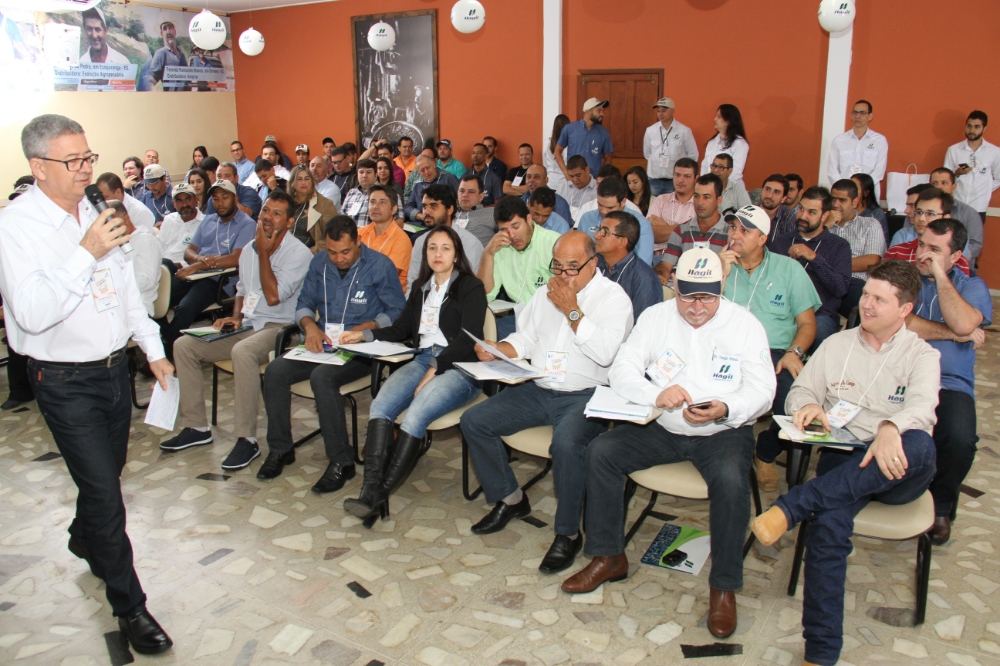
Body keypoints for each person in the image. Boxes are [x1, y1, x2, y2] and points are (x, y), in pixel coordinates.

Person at [0, 114, 174, 654]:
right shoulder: (16, 227)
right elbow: (30, 314)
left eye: (88, 157)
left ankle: (84, 536)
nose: (84, 169)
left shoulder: (95, 210)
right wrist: (87, 251)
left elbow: (125, 291)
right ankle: (131, 608)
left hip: (114, 371)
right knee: (105, 493)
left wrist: (153, 350)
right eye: (72, 160)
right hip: (63, 379)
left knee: (106, 478)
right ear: (39, 167)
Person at [564, 248, 774, 637]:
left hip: (722, 431)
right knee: (601, 453)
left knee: (731, 483)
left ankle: (723, 587)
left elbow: (764, 391)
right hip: (663, 422)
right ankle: (608, 557)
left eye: (706, 297)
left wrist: (726, 408)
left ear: (721, 288)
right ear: (673, 286)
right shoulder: (656, 317)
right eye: (687, 296)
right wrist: (654, 395)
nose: (696, 307)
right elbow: (623, 369)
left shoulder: (744, 325)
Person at [751, 259, 940, 666]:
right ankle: (820, 654)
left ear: (905, 309)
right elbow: (800, 391)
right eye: (866, 294)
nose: (866, 304)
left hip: (899, 466)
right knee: (828, 527)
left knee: (922, 444)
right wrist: (808, 406)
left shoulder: (922, 355)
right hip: (845, 457)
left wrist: (891, 426)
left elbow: (924, 408)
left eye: (879, 299)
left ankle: (794, 506)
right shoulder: (837, 344)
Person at [461, 231, 633, 574]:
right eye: (557, 266)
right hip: (540, 387)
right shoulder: (545, 293)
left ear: (593, 263)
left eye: (572, 267)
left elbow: (605, 353)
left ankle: (568, 533)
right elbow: (525, 339)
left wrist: (572, 310)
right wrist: (498, 350)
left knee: (566, 445)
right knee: (475, 420)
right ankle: (511, 499)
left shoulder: (614, 299)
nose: (563, 275)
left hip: (586, 394)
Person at [342, 225, 487, 520]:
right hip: (422, 359)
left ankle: (379, 494)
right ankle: (370, 491)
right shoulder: (422, 288)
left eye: (445, 248)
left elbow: (467, 339)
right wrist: (365, 335)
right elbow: (401, 329)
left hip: (460, 367)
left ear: (456, 254)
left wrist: (435, 368)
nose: (438, 254)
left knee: (415, 414)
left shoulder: (471, 287)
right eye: (432, 248)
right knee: (380, 406)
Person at [161, 190, 312, 468]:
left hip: (280, 328)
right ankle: (196, 427)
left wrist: (263, 252)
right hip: (249, 324)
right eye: (265, 210)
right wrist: (234, 316)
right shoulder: (250, 249)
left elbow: (273, 297)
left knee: (242, 352)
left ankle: (247, 439)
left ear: (289, 222)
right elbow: (242, 289)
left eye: (277, 214)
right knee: (184, 346)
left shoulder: (298, 253)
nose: (268, 217)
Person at [261, 216, 405, 490]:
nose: (338, 259)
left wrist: (367, 327)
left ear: (358, 242)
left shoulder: (380, 265)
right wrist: (310, 327)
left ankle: (342, 461)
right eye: (332, 252)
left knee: (322, 377)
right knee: (275, 370)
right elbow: (304, 303)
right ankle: (280, 449)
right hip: (325, 343)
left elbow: (397, 311)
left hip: (361, 349)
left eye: (345, 252)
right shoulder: (319, 263)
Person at [718, 206, 822, 494]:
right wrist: (720, 277)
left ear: (762, 238)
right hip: (725, 351)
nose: (735, 235)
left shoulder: (788, 269)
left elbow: (807, 324)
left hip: (774, 353)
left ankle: (765, 452)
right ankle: (716, 450)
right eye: (733, 228)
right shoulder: (717, 265)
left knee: (792, 404)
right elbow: (697, 314)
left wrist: (794, 352)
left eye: (745, 230)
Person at [906, 218, 991, 545]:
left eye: (935, 250)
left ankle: (940, 505)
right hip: (900, 376)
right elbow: (903, 323)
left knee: (959, 438)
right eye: (921, 245)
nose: (923, 254)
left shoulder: (972, 287)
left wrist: (940, 275)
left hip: (949, 382)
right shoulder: (904, 279)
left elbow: (966, 321)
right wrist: (954, 333)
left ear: (955, 257)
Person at [162, 180, 256, 358]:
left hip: (221, 281)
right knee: (159, 298)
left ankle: (166, 353)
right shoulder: (209, 220)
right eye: (215, 198)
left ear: (235, 198)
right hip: (196, 274)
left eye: (225, 197)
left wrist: (199, 265)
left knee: (184, 308)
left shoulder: (246, 223)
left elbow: (236, 258)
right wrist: (200, 259)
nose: (220, 203)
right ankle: (164, 341)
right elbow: (188, 252)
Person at [770, 186, 853, 351]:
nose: (803, 216)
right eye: (801, 209)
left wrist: (815, 258)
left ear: (825, 215)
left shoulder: (839, 246)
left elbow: (840, 289)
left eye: (812, 212)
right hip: (781, 310)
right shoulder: (781, 243)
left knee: (819, 331)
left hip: (819, 313)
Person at [478, 196, 561, 338]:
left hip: (552, 319)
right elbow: (485, 294)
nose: (512, 235)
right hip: (520, 318)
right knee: (480, 337)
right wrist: (488, 253)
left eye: (516, 227)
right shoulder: (499, 247)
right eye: (504, 229)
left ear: (529, 219)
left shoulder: (554, 243)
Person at [408, 184, 483, 294]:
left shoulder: (469, 243)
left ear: (450, 209)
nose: (427, 212)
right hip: (425, 300)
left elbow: (471, 288)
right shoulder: (420, 241)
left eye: (433, 206)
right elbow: (412, 283)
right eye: (424, 206)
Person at [827, 178, 886, 318]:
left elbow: (871, 261)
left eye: (842, 200)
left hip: (854, 282)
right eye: (833, 199)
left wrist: (828, 264)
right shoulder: (822, 225)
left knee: (866, 306)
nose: (835, 204)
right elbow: (812, 255)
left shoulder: (870, 224)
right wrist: (825, 227)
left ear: (854, 202)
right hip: (824, 281)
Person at [885, 187, 973, 277]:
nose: (921, 219)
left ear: (946, 218)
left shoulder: (957, 261)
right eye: (919, 212)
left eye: (930, 214)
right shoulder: (895, 253)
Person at [658, 174, 728, 280]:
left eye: (706, 197)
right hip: (686, 286)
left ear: (719, 200)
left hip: (718, 286)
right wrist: (661, 275)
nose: (700, 202)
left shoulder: (730, 232)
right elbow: (666, 265)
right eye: (696, 196)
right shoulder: (681, 231)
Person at [594, 210, 661, 319]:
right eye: (599, 229)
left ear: (622, 242)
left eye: (605, 232)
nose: (596, 235)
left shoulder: (645, 279)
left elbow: (646, 324)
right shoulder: (594, 264)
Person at [576, 177, 654, 265]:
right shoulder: (586, 218)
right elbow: (578, 253)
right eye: (600, 205)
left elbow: (643, 264)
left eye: (610, 208)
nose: (603, 211)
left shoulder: (641, 224)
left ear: (623, 202)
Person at [105, 199, 161, 316]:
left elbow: (146, 280)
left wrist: (114, 287)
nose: (108, 229)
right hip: (115, 303)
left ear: (125, 218)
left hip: (138, 307)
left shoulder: (145, 241)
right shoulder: (114, 243)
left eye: (111, 224)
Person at [827, 99, 888, 200]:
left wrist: (862, 188)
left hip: (868, 193)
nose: (858, 116)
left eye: (862, 113)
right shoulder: (839, 140)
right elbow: (832, 170)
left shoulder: (879, 141)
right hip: (843, 195)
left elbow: (879, 171)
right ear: (851, 115)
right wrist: (845, 188)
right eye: (855, 113)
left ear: (870, 116)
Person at [945, 110, 1000, 222]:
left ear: (984, 128)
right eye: (969, 126)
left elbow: (998, 178)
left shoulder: (994, 152)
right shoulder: (953, 150)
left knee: (974, 233)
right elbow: (945, 178)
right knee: (952, 233)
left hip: (979, 206)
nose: (972, 130)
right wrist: (957, 173)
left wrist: (984, 190)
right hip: (956, 203)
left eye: (977, 127)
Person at [358, 184, 411, 290]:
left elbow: (386, 276)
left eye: (382, 202)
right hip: (358, 289)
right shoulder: (360, 233)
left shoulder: (401, 240)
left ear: (394, 209)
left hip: (386, 295)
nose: (375, 206)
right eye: (372, 202)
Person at [643, 97, 699, 196]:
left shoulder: (684, 131)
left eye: (664, 111)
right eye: (658, 111)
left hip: (675, 181)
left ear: (672, 111)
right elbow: (647, 153)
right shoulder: (650, 130)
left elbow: (693, 155)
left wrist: (683, 173)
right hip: (654, 180)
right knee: (654, 205)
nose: (660, 114)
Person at [929, 167, 984, 264]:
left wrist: (949, 259)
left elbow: (975, 245)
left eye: (944, 183)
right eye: (934, 183)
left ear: (953, 187)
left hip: (957, 265)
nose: (939, 187)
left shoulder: (969, 214)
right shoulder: (920, 211)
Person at [647, 158, 698, 262]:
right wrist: (683, 231)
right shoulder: (661, 200)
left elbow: (694, 239)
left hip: (685, 260)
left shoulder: (700, 205)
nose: (680, 180)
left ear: (696, 179)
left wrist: (664, 227)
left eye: (687, 176)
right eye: (677, 175)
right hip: (656, 258)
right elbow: (649, 233)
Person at [556, 98, 614, 177]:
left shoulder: (604, 133)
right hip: (573, 179)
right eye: (599, 111)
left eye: (602, 111)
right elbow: (557, 151)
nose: (602, 114)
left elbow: (608, 158)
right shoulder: (569, 129)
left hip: (594, 179)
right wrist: (566, 173)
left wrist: (602, 177)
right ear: (589, 112)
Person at [157, 183, 204, 270]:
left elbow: (205, 254)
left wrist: (182, 265)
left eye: (188, 199)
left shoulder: (205, 222)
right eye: (179, 201)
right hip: (162, 267)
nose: (184, 204)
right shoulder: (169, 219)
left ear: (196, 199)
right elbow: (158, 246)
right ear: (173, 204)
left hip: (185, 269)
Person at [700, 104, 749, 183]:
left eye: (719, 116)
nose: (715, 119)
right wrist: (704, 182)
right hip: (710, 186)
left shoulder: (739, 143)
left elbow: (736, 172)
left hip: (730, 187)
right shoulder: (712, 142)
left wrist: (720, 186)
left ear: (728, 121)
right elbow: (705, 165)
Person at [404, 155, 460, 222]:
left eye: (428, 168)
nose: (426, 172)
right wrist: (422, 216)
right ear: (418, 172)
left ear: (433, 164)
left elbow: (461, 198)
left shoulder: (448, 179)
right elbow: (407, 207)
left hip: (443, 222)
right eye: (422, 170)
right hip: (421, 223)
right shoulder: (418, 186)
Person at [140, 18, 186, 91]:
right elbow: (150, 77)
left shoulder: (182, 55)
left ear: (175, 31)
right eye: (165, 29)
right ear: (162, 34)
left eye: (170, 27)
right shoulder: (161, 53)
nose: (168, 31)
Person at [454, 174, 499, 249]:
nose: (465, 195)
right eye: (462, 191)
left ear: (481, 196)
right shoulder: (450, 214)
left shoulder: (492, 213)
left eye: (471, 192)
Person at [888, 182, 933, 247]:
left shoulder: (946, 237)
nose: (906, 211)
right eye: (907, 205)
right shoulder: (902, 235)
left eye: (912, 205)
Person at [851, 172, 889, 242]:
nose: (849, 191)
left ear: (866, 193)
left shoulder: (876, 213)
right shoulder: (843, 209)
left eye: (854, 189)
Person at [759, 174, 796, 245]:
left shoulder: (789, 219)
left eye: (776, 192)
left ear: (783, 199)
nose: (770, 195)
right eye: (767, 189)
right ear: (761, 191)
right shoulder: (749, 213)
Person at [341, 159, 379, 227]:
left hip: (372, 233)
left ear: (376, 175)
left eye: (368, 172)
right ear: (357, 175)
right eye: (361, 172)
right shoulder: (351, 193)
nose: (364, 175)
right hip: (349, 232)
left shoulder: (385, 193)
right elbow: (342, 218)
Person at [543, 115, 571, 198]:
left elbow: (545, 164)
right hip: (565, 181)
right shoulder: (569, 144)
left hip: (550, 181)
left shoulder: (547, 143)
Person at [564, 155, 598, 220]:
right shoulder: (564, 187)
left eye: (578, 175)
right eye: (571, 176)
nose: (575, 180)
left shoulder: (597, 189)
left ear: (587, 170)